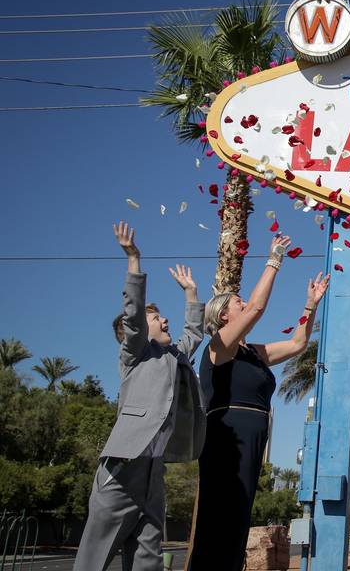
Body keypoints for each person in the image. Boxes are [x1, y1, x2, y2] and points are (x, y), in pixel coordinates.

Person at [186, 235, 329, 571]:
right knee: (220, 513)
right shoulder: (217, 348)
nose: (243, 303)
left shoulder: (254, 353)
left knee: (238, 514)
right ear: (223, 316)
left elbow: (296, 344)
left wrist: (310, 305)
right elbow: (256, 308)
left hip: (254, 436)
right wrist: (274, 260)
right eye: (236, 301)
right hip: (227, 437)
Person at [74, 222, 206, 571]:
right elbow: (133, 314)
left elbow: (194, 333)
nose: (165, 321)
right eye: (157, 318)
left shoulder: (175, 357)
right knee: (94, 559)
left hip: (153, 474)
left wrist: (191, 294)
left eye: (162, 316)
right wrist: (134, 258)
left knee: (147, 560)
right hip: (121, 470)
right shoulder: (134, 354)